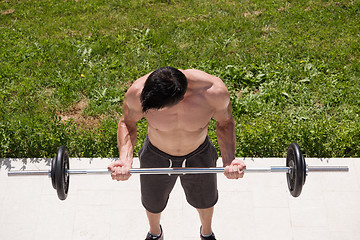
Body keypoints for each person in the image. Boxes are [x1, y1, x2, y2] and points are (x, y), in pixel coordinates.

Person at [108, 66, 246, 240]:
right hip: (156, 153)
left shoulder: (213, 92)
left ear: (181, 100)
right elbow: (127, 122)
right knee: (153, 201)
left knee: (205, 200)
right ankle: (155, 233)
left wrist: (229, 160)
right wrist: (125, 160)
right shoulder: (137, 92)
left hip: (199, 152)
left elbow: (225, 122)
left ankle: (207, 233)